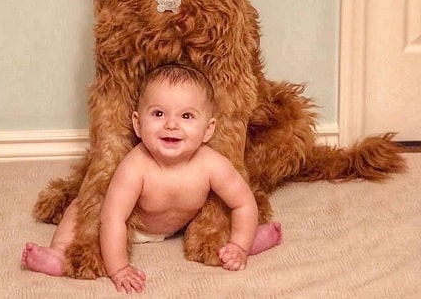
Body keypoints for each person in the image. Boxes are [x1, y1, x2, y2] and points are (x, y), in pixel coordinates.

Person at [22, 64, 282, 293]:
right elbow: (113, 217)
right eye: (158, 114)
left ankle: (245, 243)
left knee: (224, 219)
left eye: (187, 116)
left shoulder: (211, 164)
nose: (171, 124)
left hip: (184, 226)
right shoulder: (136, 166)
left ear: (208, 129)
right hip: (137, 229)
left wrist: (238, 243)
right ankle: (59, 250)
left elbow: (243, 202)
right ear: (137, 124)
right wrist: (119, 268)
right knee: (81, 205)